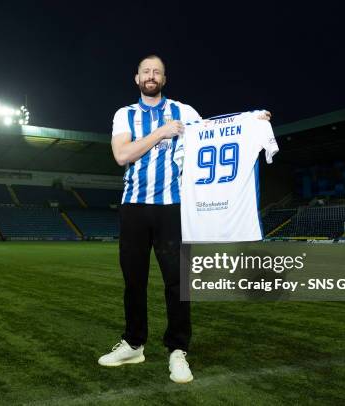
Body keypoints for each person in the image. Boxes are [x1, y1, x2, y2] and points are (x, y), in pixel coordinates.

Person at [98, 54, 269, 383]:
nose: (151, 75)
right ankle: (134, 344)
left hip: (174, 208)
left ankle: (178, 350)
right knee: (134, 282)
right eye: (146, 71)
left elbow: (217, 132)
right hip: (134, 207)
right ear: (137, 79)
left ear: (164, 78)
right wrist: (161, 132)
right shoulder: (125, 115)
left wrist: (253, 120)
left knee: (177, 283)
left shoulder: (184, 111)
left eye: (157, 72)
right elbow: (122, 155)